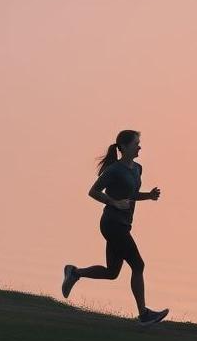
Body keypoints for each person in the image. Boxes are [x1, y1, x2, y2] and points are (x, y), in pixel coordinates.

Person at [61, 129, 168, 326]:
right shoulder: (114, 170)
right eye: (136, 143)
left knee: (112, 273)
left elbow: (132, 194)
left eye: (139, 143)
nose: (139, 147)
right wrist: (114, 202)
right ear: (124, 147)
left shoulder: (137, 169)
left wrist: (149, 196)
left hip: (123, 224)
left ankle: (75, 273)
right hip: (112, 223)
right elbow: (93, 192)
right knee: (138, 265)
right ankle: (144, 314)